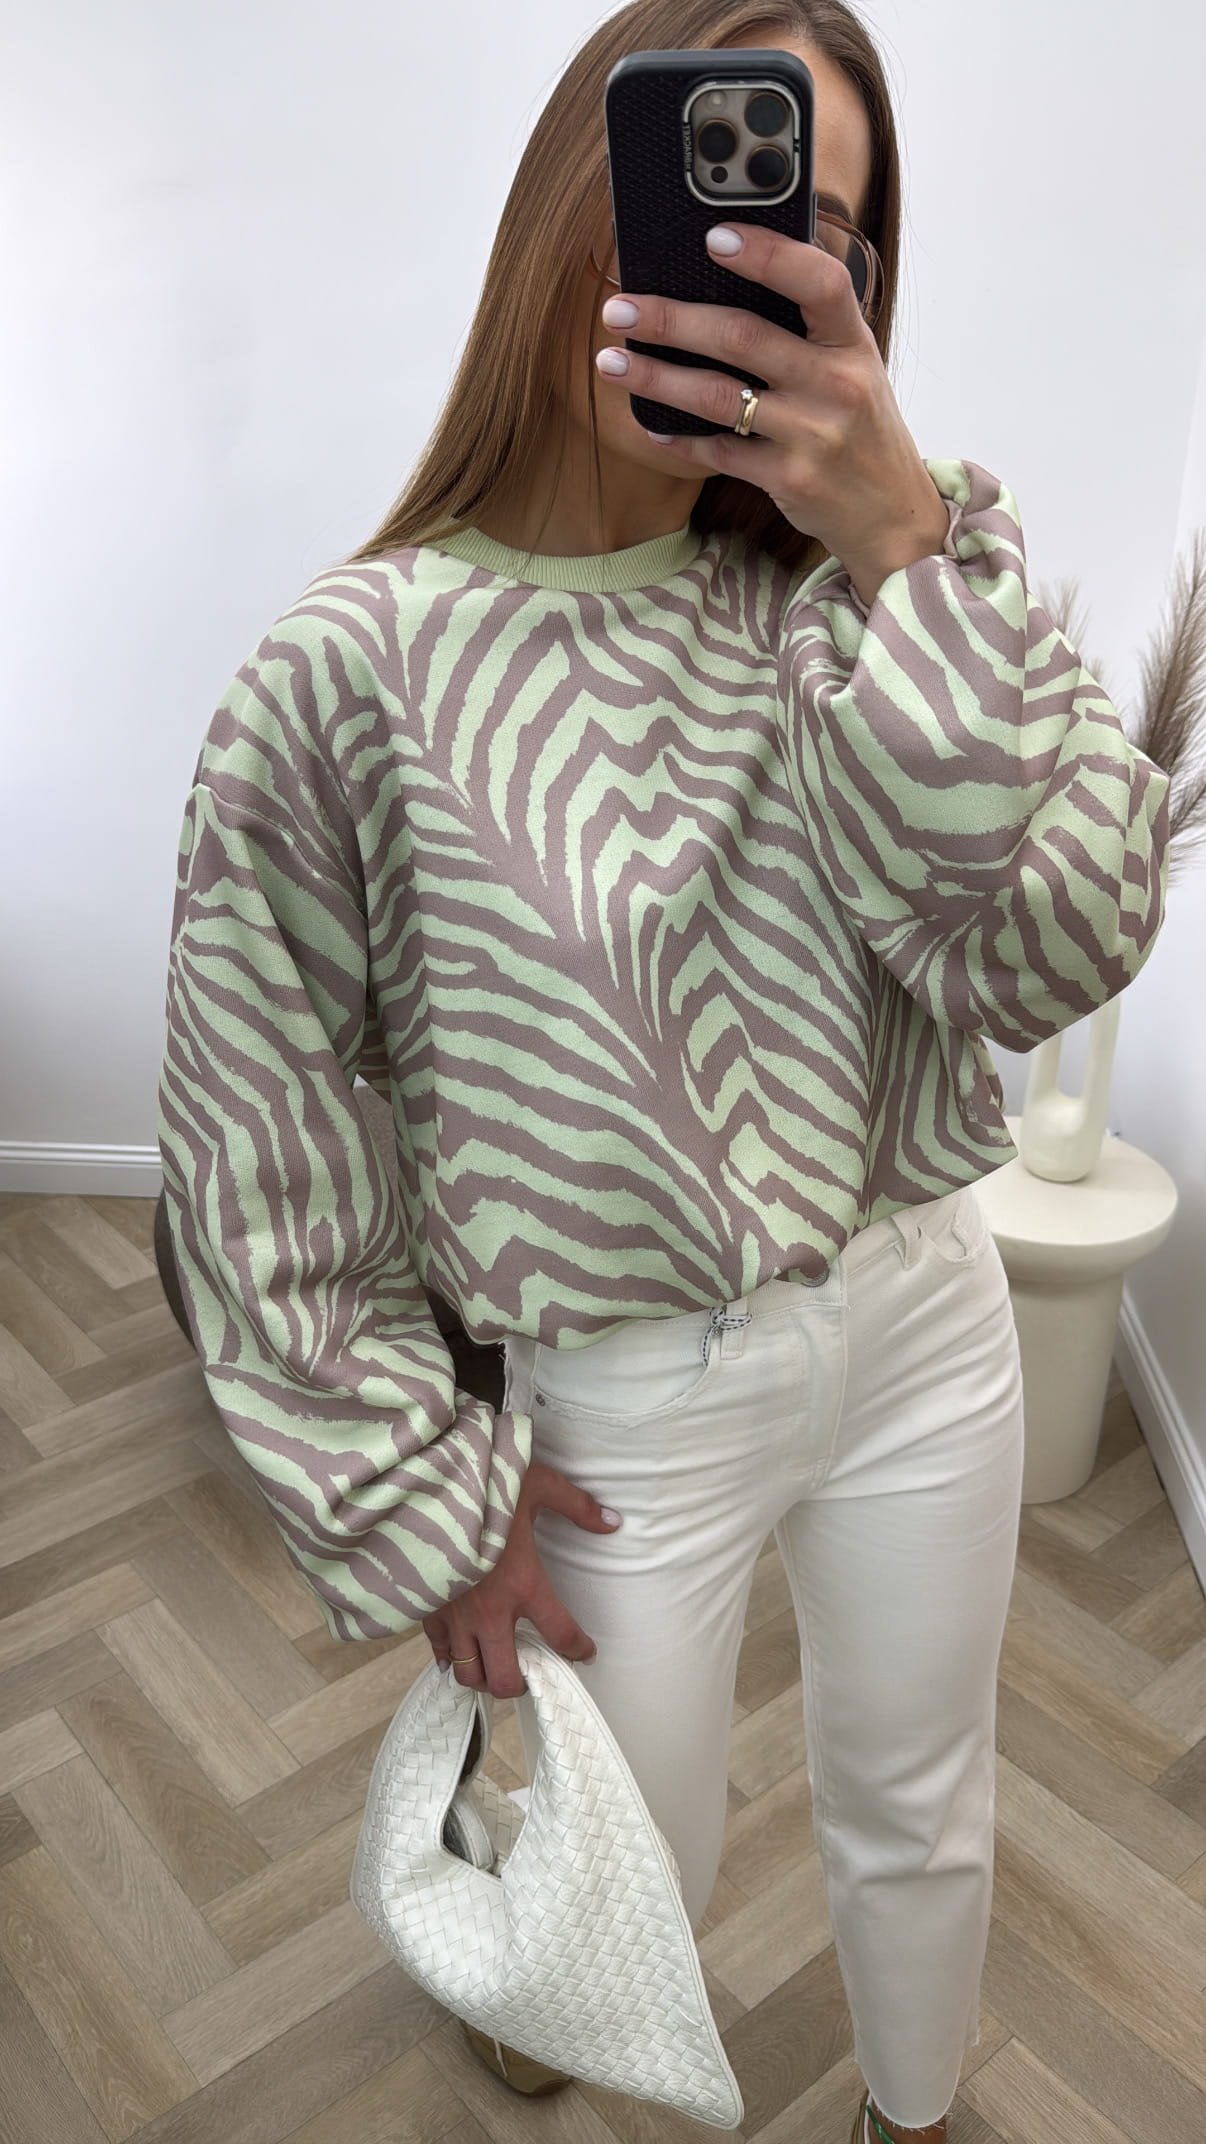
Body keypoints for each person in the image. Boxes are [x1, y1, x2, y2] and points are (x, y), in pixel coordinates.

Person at [155, 4, 1171, 2140]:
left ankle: (912, 2114)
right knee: (639, 1866)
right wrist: (419, 1503)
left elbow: (1060, 942)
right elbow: (264, 1151)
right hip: (625, 1401)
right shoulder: (349, 676)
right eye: (700, 189)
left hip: (926, 1313)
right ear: (574, 202)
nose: (750, 260)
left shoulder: (856, 600)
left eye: (819, 233)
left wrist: (907, 548)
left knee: (923, 1800)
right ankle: (553, 2000)